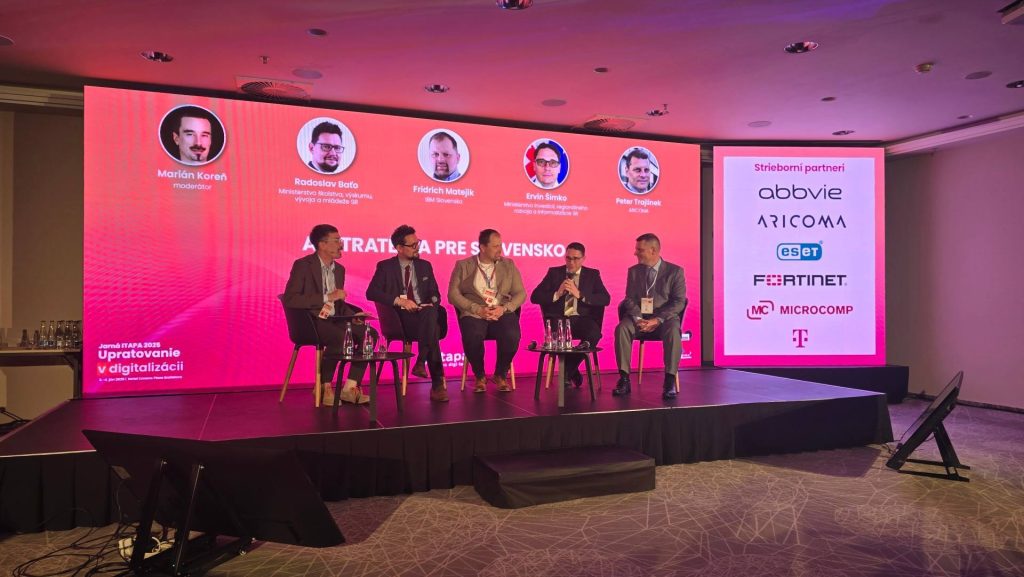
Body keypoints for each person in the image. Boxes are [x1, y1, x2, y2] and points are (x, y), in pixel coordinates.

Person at [283, 224, 370, 405]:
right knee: (338, 337)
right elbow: (291, 299)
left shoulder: (340, 269)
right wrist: (326, 297)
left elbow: (338, 304)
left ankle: (350, 387)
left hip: (335, 319)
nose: (341, 245)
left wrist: (353, 315)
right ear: (322, 244)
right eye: (337, 241)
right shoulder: (303, 265)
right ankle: (324, 387)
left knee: (369, 334)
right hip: (311, 321)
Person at [366, 225, 449, 402]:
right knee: (432, 329)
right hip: (399, 318)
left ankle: (421, 363)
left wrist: (431, 302)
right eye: (413, 245)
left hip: (423, 314)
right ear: (399, 248)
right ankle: (434, 380)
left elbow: (435, 294)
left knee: (430, 315)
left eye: (418, 243)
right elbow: (371, 292)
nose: (417, 248)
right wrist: (400, 301)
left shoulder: (425, 266)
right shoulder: (386, 267)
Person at [448, 229, 525, 393]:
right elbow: (452, 294)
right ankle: (480, 375)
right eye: (496, 246)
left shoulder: (508, 265)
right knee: (473, 334)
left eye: (501, 245)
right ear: (482, 247)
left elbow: (520, 293)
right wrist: (476, 309)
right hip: (474, 312)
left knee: (512, 334)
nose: (500, 250)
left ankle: (500, 374)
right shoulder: (463, 265)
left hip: (500, 311)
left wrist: (504, 308)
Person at [613, 233, 686, 400]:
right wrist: (639, 318)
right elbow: (629, 299)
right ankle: (624, 379)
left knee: (674, 330)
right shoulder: (634, 271)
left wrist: (657, 319)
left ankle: (669, 380)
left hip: (664, 319)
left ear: (653, 250)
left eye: (640, 250)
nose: (635, 253)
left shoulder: (675, 271)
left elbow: (679, 301)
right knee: (622, 328)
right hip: (639, 318)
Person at [529, 242, 611, 386]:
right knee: (559, 335)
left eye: (576, 259)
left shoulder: (592, 275)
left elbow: (605, 299)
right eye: (568, 258)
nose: (571, 262)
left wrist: (580, 295)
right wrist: (557, 293)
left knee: (594, 334)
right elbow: (535, 296)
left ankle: (568, 371)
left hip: (581, 319)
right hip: (559, 320)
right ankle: (571, 372)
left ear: (583, 258)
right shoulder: (554, 273)